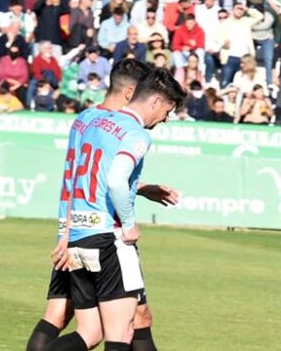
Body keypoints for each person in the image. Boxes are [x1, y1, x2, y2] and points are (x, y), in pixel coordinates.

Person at [27, 60, 180, 351]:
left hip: (76, 233)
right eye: (167, 111)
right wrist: (130, 222)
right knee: (122, 331)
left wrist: (64, 231)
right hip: (108, 236)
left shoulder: (89, 120)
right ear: (149, 98)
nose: (165, 118)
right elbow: (114, 180)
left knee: (89, 331)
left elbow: (78, 177)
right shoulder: (136, 133)